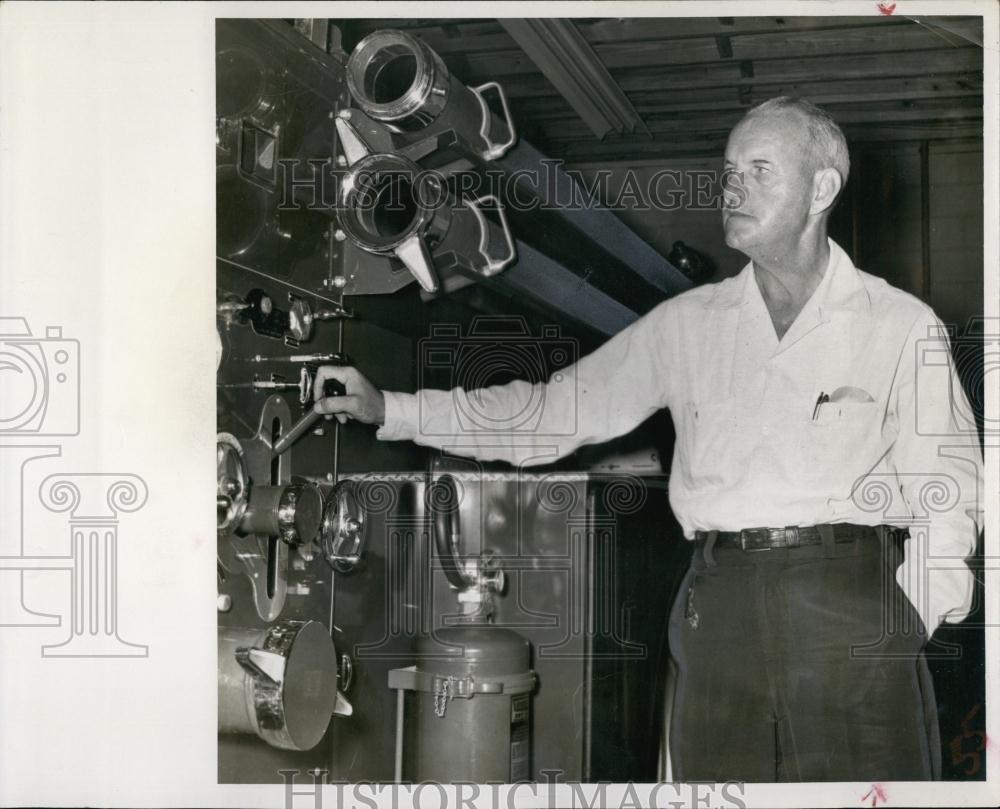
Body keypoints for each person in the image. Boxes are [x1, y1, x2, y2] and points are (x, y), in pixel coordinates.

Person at [312, 97, 983, 782]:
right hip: (719, 608)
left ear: (822, 188)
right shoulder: (688, 325)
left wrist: (911, 615)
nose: (732, 187)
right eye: (728, 170)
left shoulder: (899, 324)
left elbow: (954, 485)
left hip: (850, 604)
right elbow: (551, 412)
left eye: (759, 170)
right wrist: (389, 407)